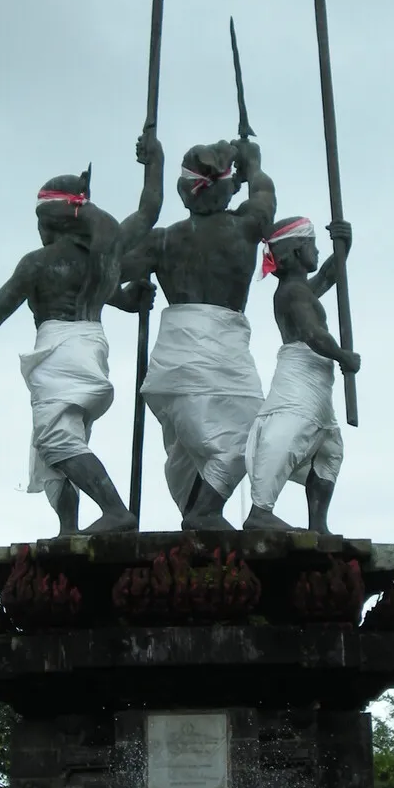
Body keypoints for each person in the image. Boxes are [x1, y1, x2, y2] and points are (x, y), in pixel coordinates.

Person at [0, 133, 163, 534]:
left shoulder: (38, 263)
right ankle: (69, 529)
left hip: (59, 354)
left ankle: (115, 511)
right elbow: (149, 209)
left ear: (49, 221)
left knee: (55, 439)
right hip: (91, 345)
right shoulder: (104, 256)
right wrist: (155, 160)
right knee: (59, 445)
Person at [120, 137, 276, 529]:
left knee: (188, 450)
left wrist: (124, 299)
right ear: (229, 188)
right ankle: (204, 512)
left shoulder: (162, 240)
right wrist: (253, 162)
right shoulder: (247, 227)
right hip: (222, 354)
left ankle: (199, 515)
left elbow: (101, 275)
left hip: (176, 361)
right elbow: (264, 192)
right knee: (251, 435)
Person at [244, 216, 359, 533]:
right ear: (296, 252)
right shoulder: (293, 293)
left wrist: (344, 244)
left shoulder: (300, 289)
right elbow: (312, 333)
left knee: (329, 451)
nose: (317, 252)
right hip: (300, 379)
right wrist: (342, 355)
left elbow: (329, 276)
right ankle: (260, 511)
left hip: (316, 383)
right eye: (313, 245)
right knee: (287, 435)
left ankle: (317, 524)